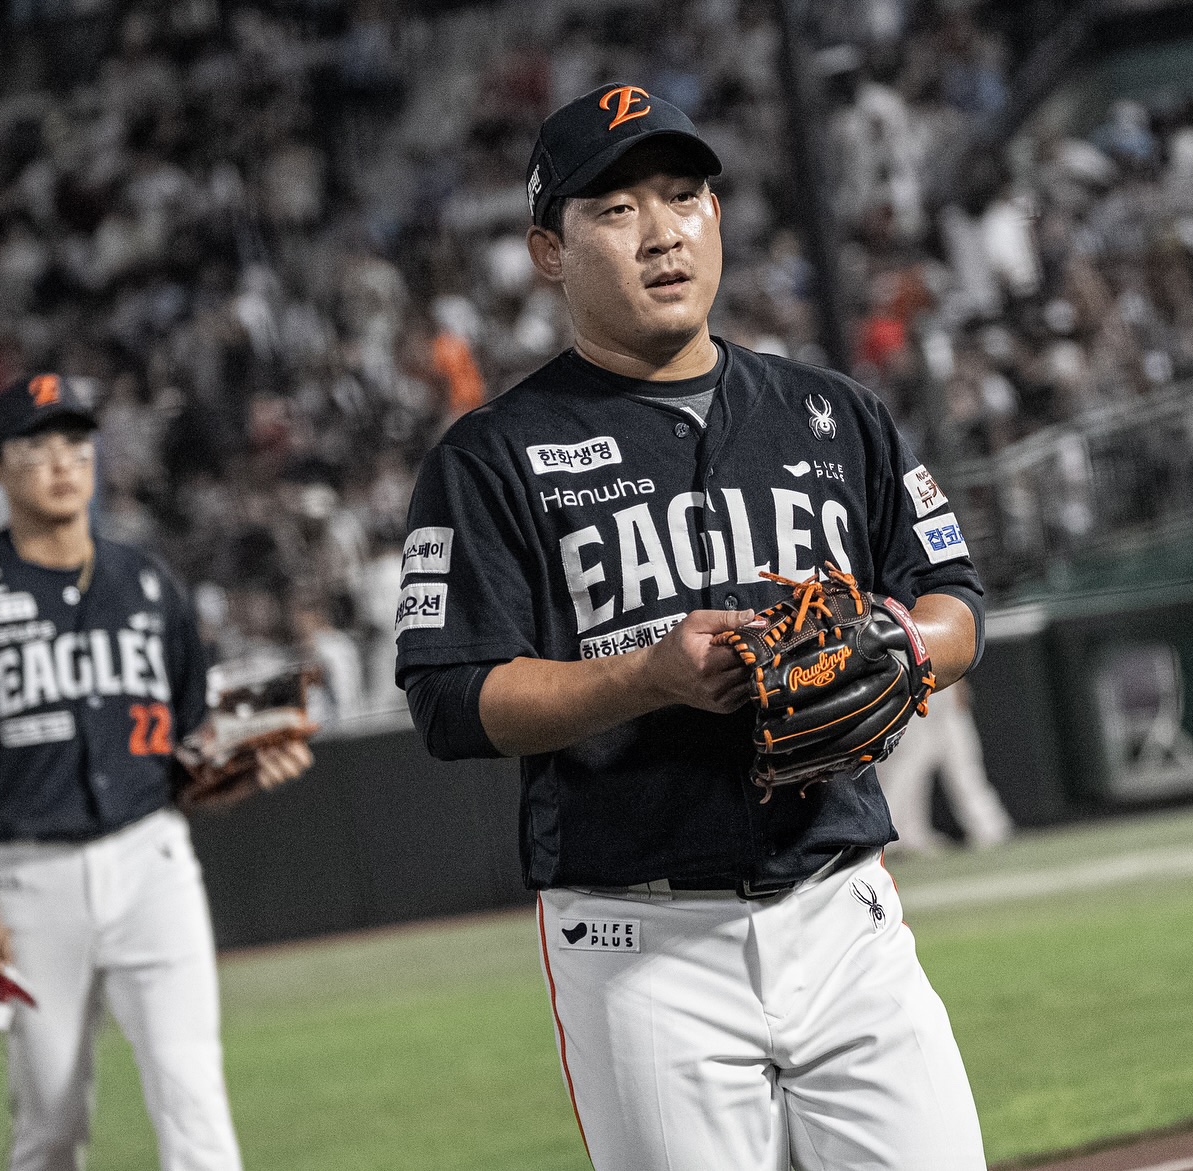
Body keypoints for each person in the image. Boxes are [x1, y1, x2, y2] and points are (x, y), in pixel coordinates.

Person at [396, 86, 989, 1170]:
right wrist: (644, 677)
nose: (662, 232)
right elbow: (447, 697)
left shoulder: (832, 413)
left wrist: (908, 648)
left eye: (683, 195)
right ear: (548, 250)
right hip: (639, 943)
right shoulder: (490, 457)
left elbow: (954, 597)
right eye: (616, 209)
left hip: (844, 911)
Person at [0, 374, 312, 1171]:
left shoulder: (145, 583)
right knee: (50, 1122)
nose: (62, 462)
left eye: (75, 443)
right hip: (25, 878)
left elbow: (189, 743)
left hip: (152, 862)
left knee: (192, 1093)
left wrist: (242, 769)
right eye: (36, 446)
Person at [875, 679, 1014, 853]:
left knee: (961, 761)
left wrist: (958, 682)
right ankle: (892, 834)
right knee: (907, 765)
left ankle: (989, 827)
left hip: (938, 683)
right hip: (909, 685)